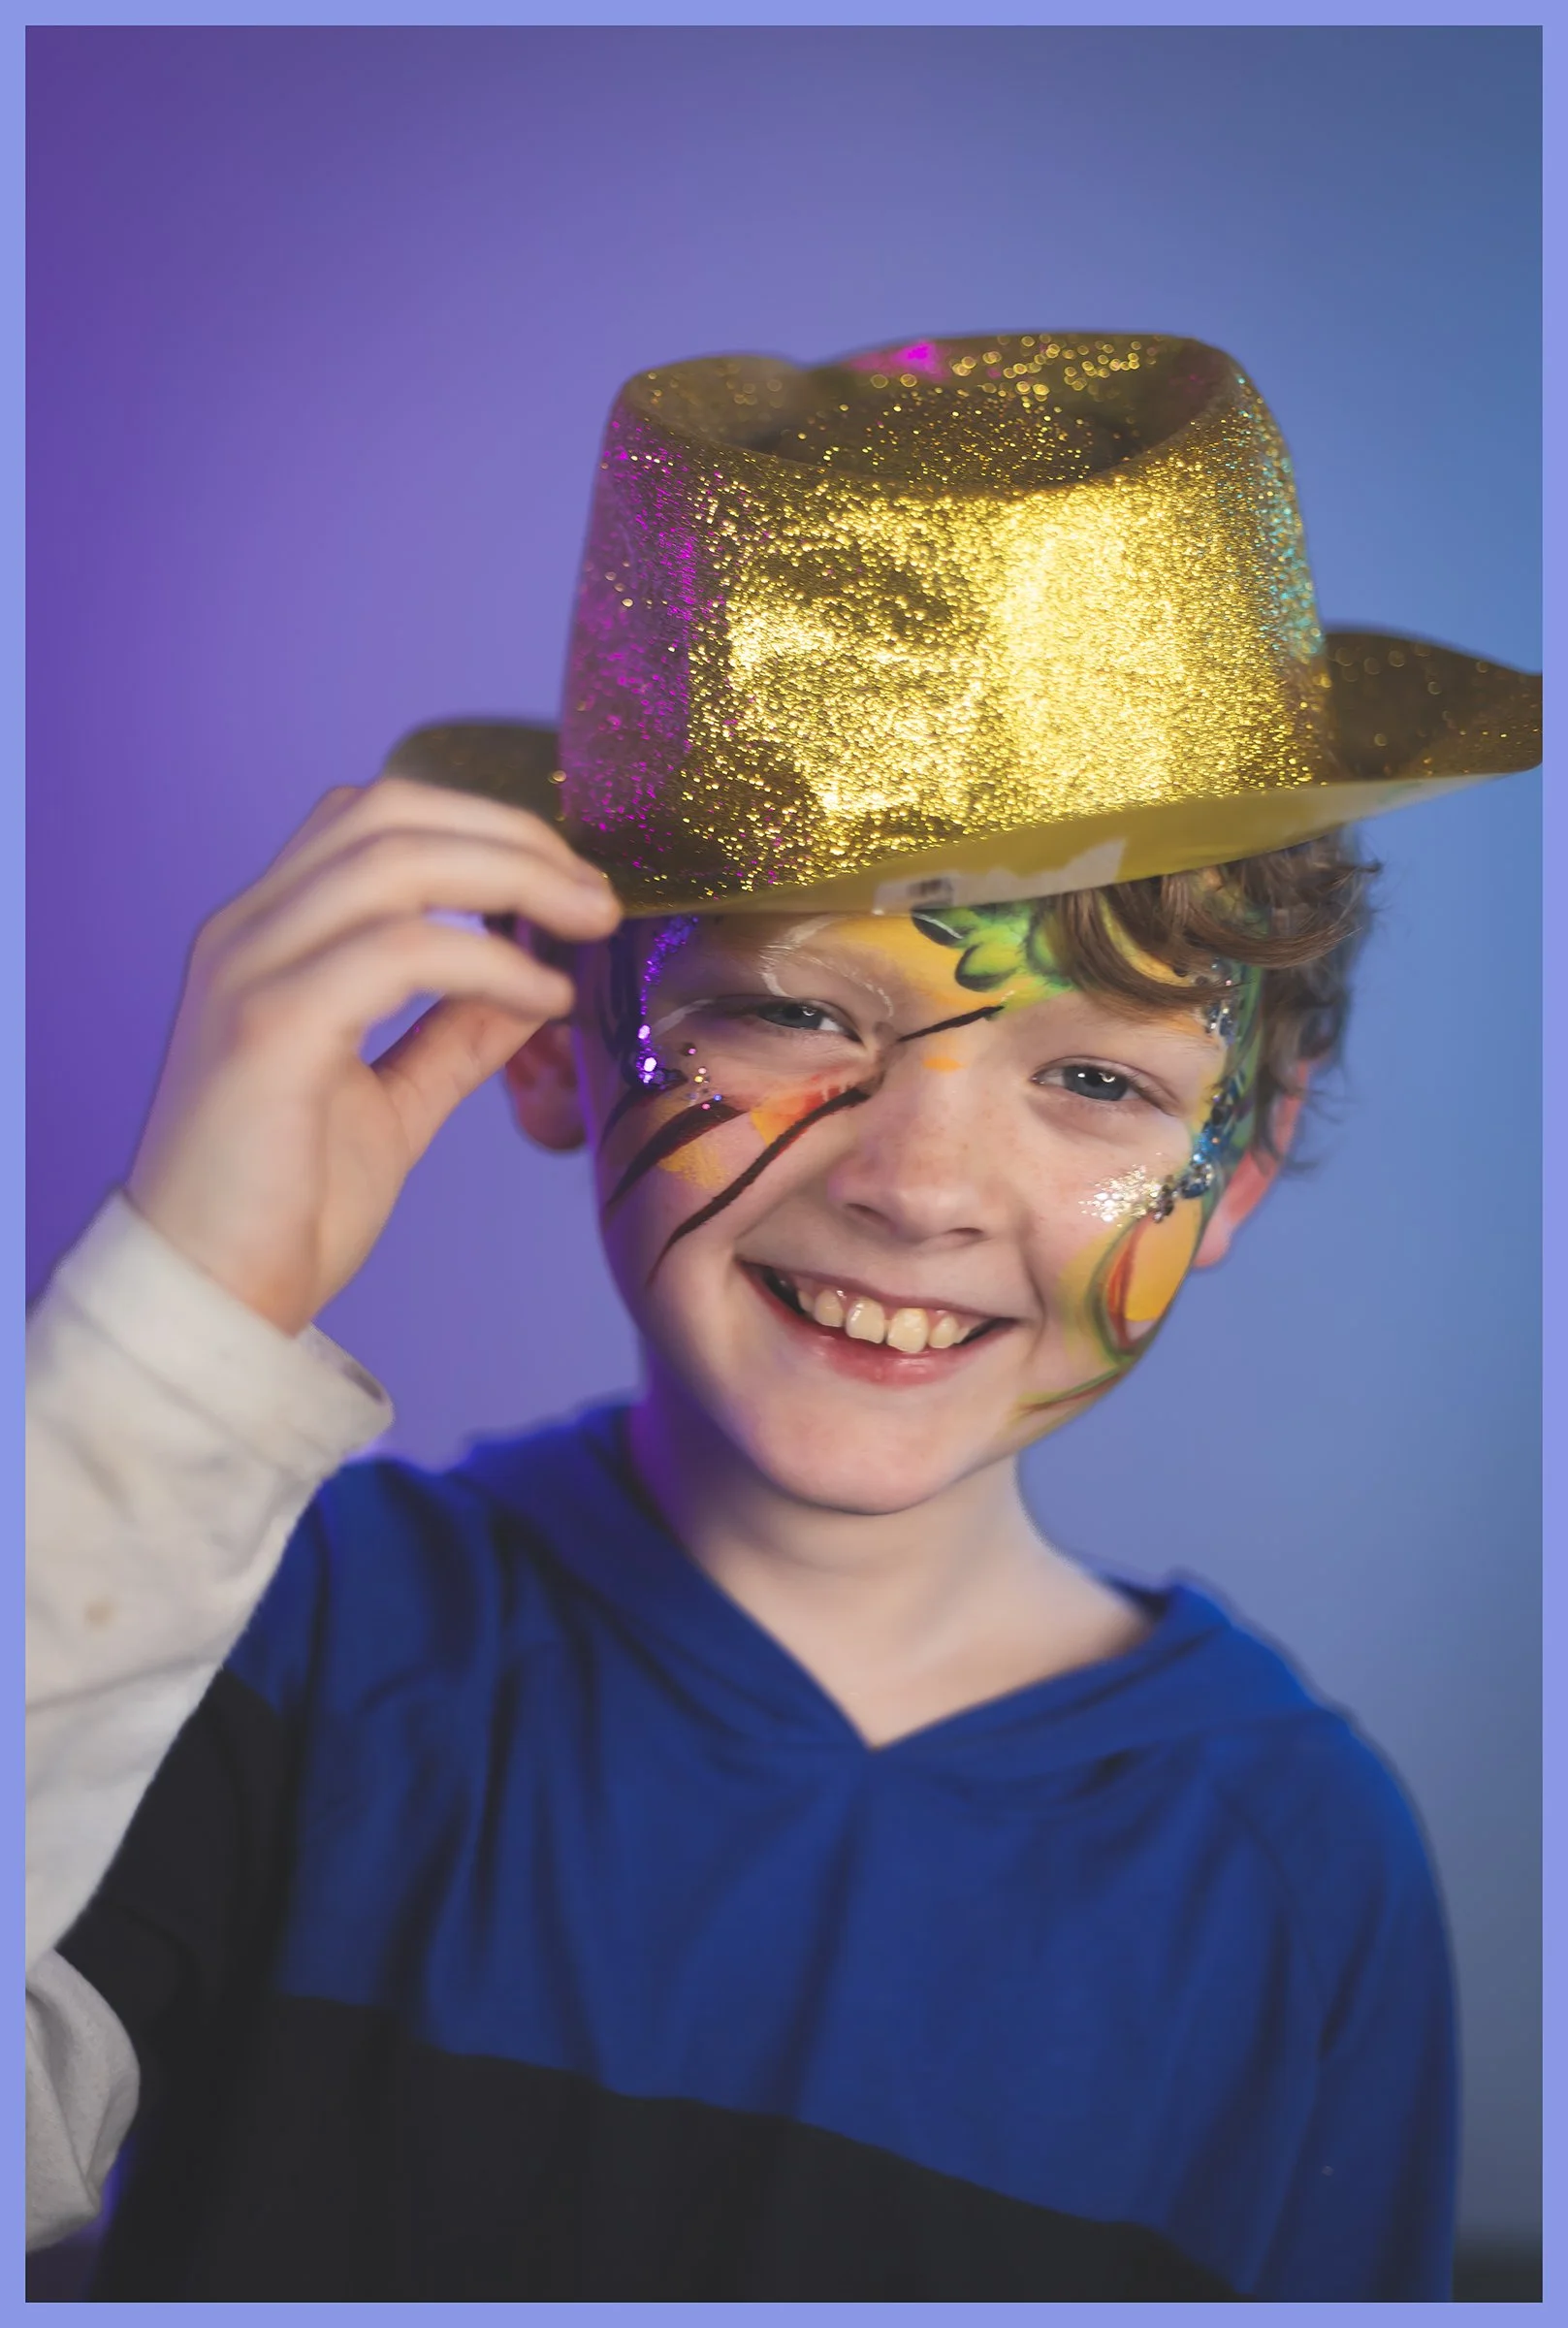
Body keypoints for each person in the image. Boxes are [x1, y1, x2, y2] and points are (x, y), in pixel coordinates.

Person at [25, 333, 1540, 2300]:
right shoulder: (283, 1642)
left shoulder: (1295, 1866)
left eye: (1097, 1080)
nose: (918, 1182)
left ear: (1238, 1161)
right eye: (796, 1013)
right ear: (554, 1038)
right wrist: (186, 1312)